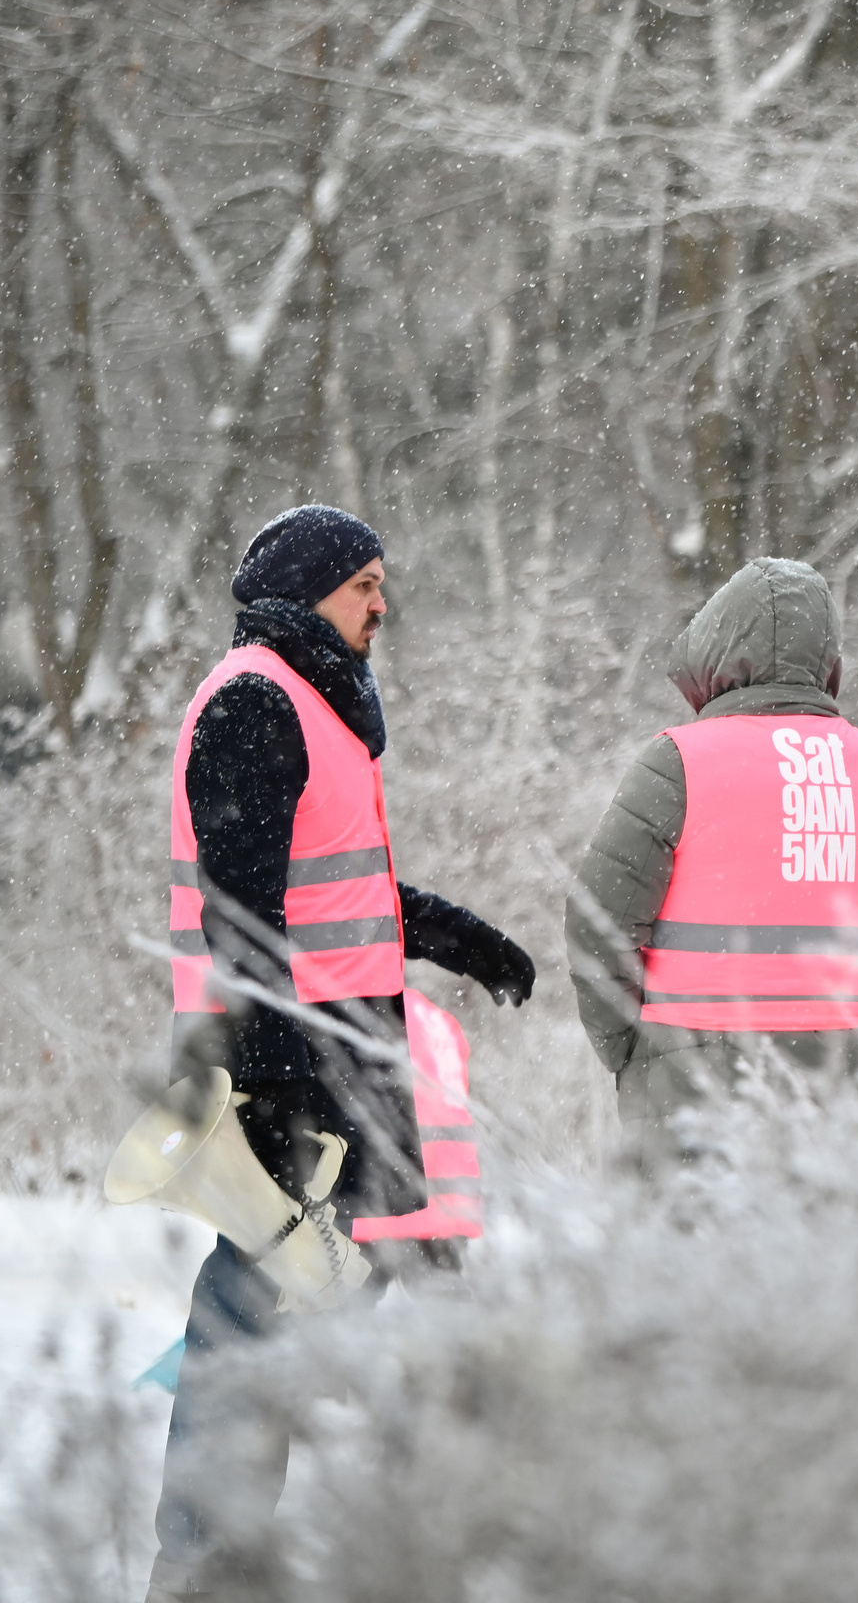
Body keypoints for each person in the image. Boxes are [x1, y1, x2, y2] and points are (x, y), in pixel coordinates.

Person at [154, 505, 536, 1601]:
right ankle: (200, 1562)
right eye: (365, 584)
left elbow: (344, 891)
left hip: (346, 1061)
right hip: (296, 1070)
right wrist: (271, 1092)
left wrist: (459, 937)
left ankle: (252, 1545)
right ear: (310, 589)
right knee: (258, 1318)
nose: (383, 604)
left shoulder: (314, 710)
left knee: (323, 1298)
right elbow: (244, 913)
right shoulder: (256, 704)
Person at [566, 559, 858, 1161]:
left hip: (694, 1086)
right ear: (827, 659)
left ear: (714, 650)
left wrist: (636, 1048)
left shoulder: (677, 762)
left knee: (692, 1253)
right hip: (850, 1083)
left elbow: (598, 920)